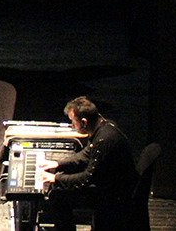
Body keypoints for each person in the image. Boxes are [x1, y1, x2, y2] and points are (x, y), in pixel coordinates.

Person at [37, 96, 138, 231]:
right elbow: (86, 155)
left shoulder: (104, 140)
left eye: (73, 122)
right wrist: (57, 164)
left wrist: (56, 178)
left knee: (58, 195)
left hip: (113, 196)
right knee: (62, 182)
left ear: (84, 122)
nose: (72, 126)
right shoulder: (104, 126)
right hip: (110, 186)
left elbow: (87, 178)